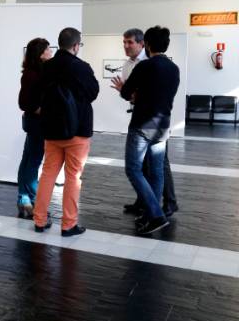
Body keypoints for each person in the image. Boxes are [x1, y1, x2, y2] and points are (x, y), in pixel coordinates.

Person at [33, 28, 99, 237]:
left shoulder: (47, 67)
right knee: (73, 177)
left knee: (47, 174)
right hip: (77, 130)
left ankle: (39, 220)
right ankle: (68, 225)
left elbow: (39, 94)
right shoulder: (81, 67)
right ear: (76, 46)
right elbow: (93, 92)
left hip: (52, 130)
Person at [111, 29, 179, 218]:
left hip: (143, 123)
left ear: (145, 44)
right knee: (155, 170)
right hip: (162, 124)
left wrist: (127, 91)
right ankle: (152, 211)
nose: (126, 46)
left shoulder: (145, 66)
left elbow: (127, 93)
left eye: (130, 42)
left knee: (135, 169)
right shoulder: (174, 68)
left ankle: (158, 210)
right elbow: (165, 96)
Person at [16, 38, 53, 219]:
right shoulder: (33, 74)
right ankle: (36, 201)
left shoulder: (34, 72)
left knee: (27, 160)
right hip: (37, 124)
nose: (51, 52)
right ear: (40, 53)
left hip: (34, 123)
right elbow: (24, 102)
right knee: (33, 162)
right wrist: (40, 109)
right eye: (48, 49)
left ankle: (24, 200)